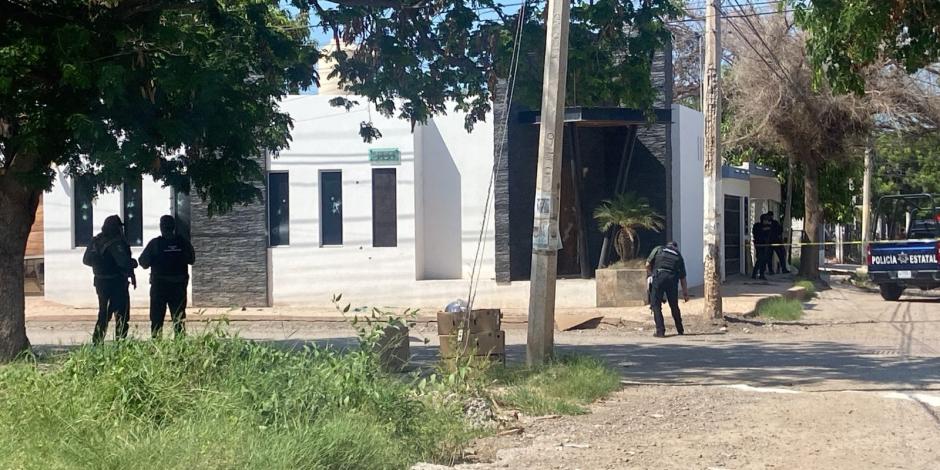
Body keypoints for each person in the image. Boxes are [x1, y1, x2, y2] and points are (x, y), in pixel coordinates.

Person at [83, 215, 137, 344]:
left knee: (103, 314)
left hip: (100, 282)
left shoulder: (95, 241)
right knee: (122, 315)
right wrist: (133, 263)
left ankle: (97, 342)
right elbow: (123, 262)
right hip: (117, 283)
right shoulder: (116, 242)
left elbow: (86, 260)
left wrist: (100, 264)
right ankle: (120, 343)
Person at [139, 215, 195, 338]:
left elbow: (143, 262)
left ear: (161, 227)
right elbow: (192, 259)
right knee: (179, 320)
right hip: (178, 288)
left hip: (159, 288)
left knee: (157, 321)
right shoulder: (183, 243)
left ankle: (157, 347)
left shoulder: (155, 244)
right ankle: (181, 349)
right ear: (173, 227)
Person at [646, 241, 690, 338]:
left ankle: (660, 332)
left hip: (659, 277)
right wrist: (685, 294)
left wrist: (651, 274)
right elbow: (683, 278)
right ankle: (680, 329)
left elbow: (647, 263)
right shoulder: (679, 256)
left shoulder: (658, 249)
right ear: (676, 248)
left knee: (656, 305)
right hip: (672, 279)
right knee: (674, 305)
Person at [751, 214, 772, 280]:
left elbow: (769, 235)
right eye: (766, 220)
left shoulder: (768, 226)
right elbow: (756, 234)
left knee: (764, 259)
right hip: (759, 245)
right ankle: (754, 273)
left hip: (765, 245)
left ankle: (761, 274)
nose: (767, 221)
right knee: (760, 259)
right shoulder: (757, 226)